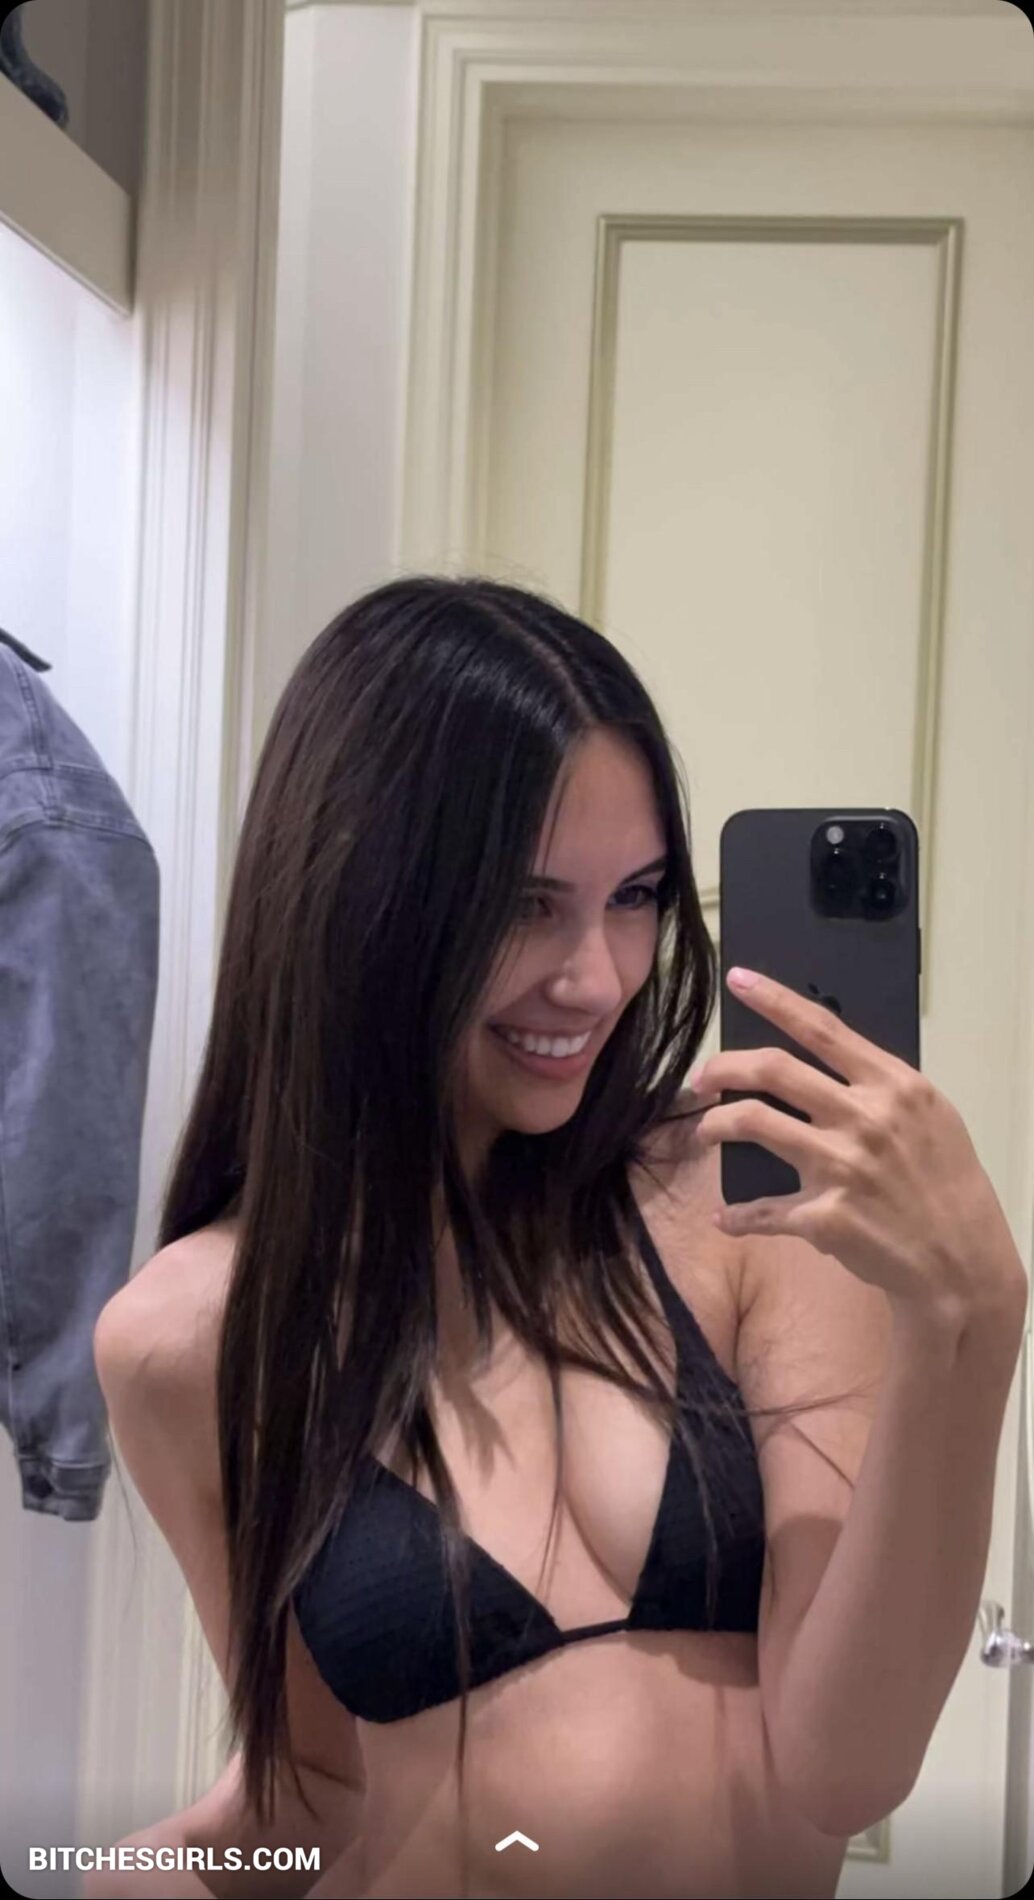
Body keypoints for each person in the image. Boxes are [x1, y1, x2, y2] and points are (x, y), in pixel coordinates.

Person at [86, 575, 876, 1900]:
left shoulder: (728, 1196)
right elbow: (312, 1787)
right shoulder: (187, 1339)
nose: (597, 976)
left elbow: (851, 1759)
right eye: (524, 903)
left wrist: (968, 1319)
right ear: (357, 895)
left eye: (636, 895)